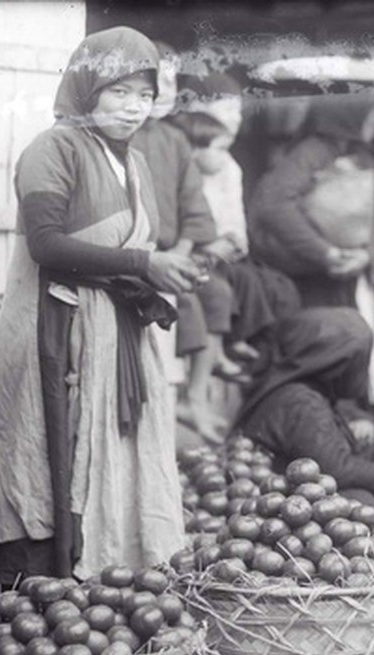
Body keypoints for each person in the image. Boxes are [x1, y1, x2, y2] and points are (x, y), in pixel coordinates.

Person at [0, 27, 199, 586]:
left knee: (114, 464)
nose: (134, 109)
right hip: (56, 330)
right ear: (87, 87)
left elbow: (132, 246)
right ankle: (50, 596)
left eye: (145, 95)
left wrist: (158, 268)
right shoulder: (51, 149)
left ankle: (113, 589)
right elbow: (46, 244)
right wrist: (144, 267)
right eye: (119, 92)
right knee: (51, 454)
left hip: (116, 333)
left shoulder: (136, 164)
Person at [248, 93, 374, 435]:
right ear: (349, 114)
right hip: (323, 282)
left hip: (361, 275)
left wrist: (368, 253)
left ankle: (369, 430)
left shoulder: (365, 158)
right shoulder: (310, 153)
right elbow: (274, 204)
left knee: (371, 361)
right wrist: (324, 252)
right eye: (371, 114)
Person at [235, 308, 374, 511]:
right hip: (285, 496)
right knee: (358, 500)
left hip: (317, 473)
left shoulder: (304, 385)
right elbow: (335, 469)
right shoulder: (299, 402)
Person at [130, 42, 235, 443]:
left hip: (174, 254)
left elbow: (195, 208)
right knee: (178, 309)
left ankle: (194, 400)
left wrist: (181, 253)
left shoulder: (174, 140)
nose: (169, 89)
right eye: (160, 78)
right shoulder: (123, 138)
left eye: (175, 78)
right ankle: (162, 413)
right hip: (135, 258)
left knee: (211, 294)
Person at [168, 110, 301, 367]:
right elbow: (185, 225)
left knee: (253, 281)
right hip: (191, 255)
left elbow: (226, 217)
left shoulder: (221, 175)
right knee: (220, 290)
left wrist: (232, 237)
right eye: (219, 150)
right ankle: (216, 353)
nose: (225, 157)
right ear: (194, 150)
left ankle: (235, 338)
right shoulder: (183, 182)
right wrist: (209, 244)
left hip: (212, 255)